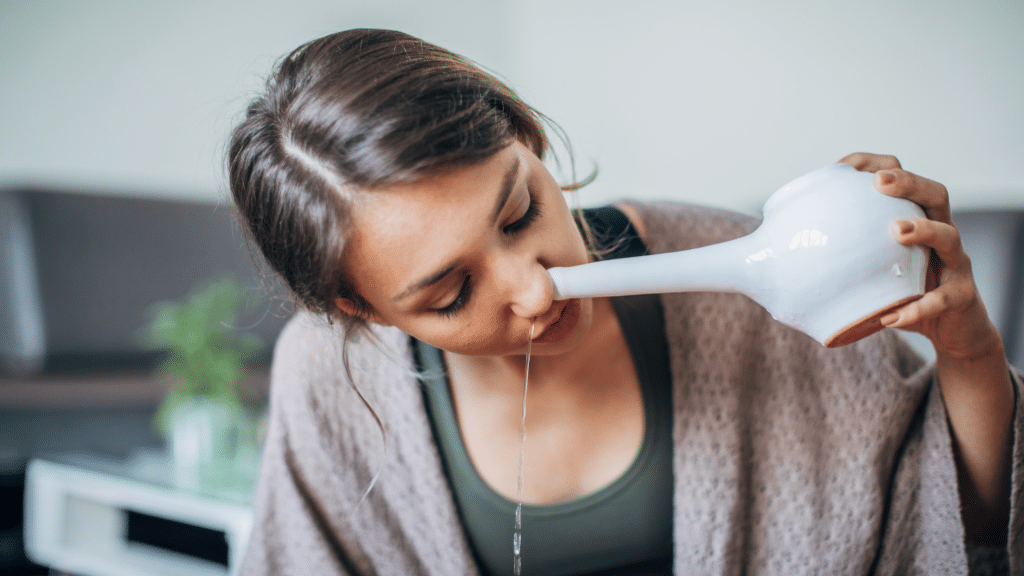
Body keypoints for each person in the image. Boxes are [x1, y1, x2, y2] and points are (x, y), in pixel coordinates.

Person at [228, 29, 1021, 575]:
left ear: (527, 136)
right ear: (363, 309)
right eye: (451, 294)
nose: (535, 289)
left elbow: (957, 534)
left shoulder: (749, 290)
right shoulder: (325, 375)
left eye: (520, 213)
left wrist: (969, 350)